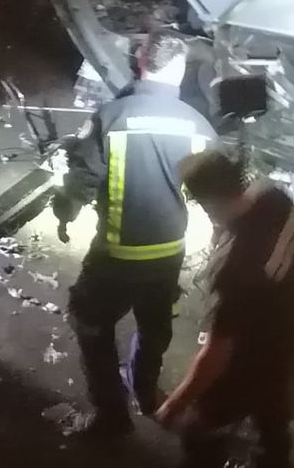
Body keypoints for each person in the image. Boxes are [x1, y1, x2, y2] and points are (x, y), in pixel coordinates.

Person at [54, 32, 217, 437]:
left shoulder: (112, 115)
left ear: (141, 62)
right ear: (179, 72)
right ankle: (145, 391)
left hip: (116, 256)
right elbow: (216, 188)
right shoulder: (198, 125)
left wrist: (65, 211)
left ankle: (112, 417)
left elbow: (82, 177)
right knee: (154, 327)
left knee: (91, 324)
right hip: (168, 254)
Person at [157, 150, 294, 468]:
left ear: (206, 201)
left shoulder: (231, 269)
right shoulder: (274, 196)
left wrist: (175, 404)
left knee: (200, 433)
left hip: (246, 365)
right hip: (290, 334)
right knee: (273, 417)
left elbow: (216, 353)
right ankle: (273, 459)